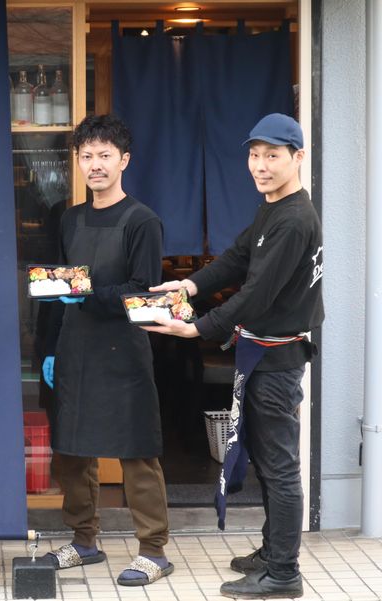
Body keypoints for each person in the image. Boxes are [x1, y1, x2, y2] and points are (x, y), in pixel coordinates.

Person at [143, 113, 323, 600]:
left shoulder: (294, 220)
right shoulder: (274, 209)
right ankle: (273, 551)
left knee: (279, 466)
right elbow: (238, 258)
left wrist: (197, 327)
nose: (260, 165)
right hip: (262, 354)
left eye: (272, 156)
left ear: (297, 157)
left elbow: (256, 295)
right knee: (266, 458)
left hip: (277, 358)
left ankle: (283, 573)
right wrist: (189, 285)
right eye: (254, 155)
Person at [41, 114, 174, 586]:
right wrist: (49, 348)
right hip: (74, 345)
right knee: (71, 449)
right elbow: (58, 284)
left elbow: (143, 290)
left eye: (104, 155)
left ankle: (153, 550)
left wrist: (87, 296)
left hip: (123, 349)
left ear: (124, 161)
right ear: (77, 162)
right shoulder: (70, 218)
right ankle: (84, 541)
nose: (95, 164)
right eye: (86, 156)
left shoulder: (142, 220)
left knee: (136, 449)